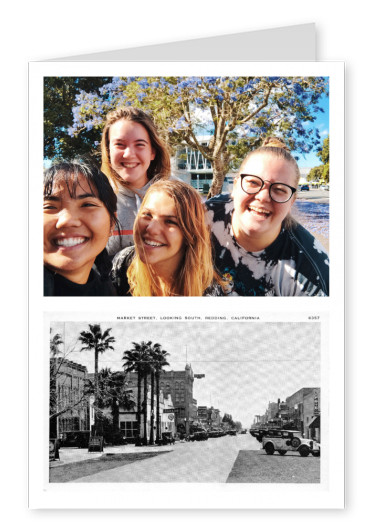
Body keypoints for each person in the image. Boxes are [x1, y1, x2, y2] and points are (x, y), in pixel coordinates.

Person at [206, 137, 329, 296]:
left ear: (292, 201)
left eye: (279, 189)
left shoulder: (311, 274)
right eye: (253, 183)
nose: (263, 197)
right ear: (235, 186)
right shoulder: (204, 216)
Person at [111, 180, 225, 296]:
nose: (152, 229)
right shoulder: (122, 264)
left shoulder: (209, 293)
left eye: (170, 221)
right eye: (147, 215)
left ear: (190, 234)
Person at [101, 106, 171, 257]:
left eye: (139, 144)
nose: (129, 154)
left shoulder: (176, 196)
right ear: (108, 151)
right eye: (119, 144)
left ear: (152, 152)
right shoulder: (95, 199)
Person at [43, 159, 118, 296]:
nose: (67, 221)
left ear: (112, 223)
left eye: (87, 205)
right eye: (49, 207)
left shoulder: (107, 291)